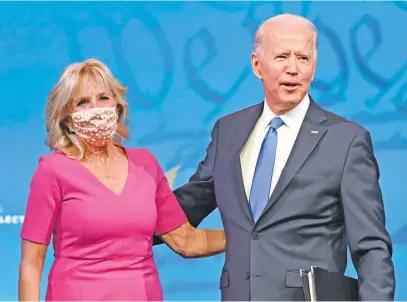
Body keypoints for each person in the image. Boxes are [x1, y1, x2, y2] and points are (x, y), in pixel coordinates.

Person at [164, 14, 396, 301]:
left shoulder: (346, 140)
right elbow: (190, 202)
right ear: (256, 65)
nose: (293, 69)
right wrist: (113, 210)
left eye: (303, 58)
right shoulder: (228, 131)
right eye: (282, 56)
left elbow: (371, 246)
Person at [18, 58, 226, 301]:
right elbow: (31, 265)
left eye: (103, 98)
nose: (95, 108)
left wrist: (252, 235)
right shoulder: (53, 170)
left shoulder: (145, 164)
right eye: (82, 102)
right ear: (67, 117)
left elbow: (187, 242)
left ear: (117, 106)